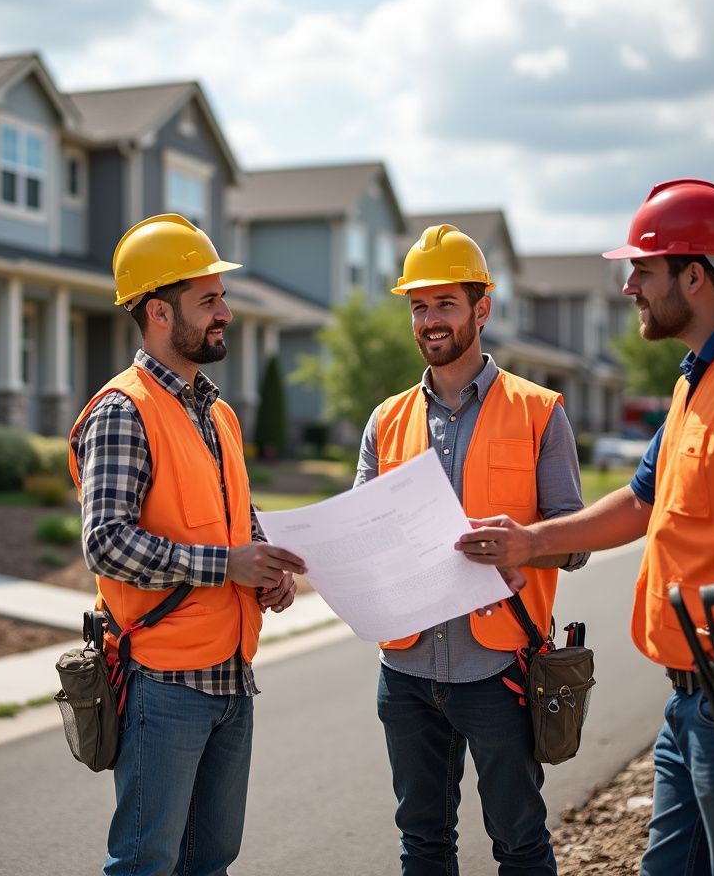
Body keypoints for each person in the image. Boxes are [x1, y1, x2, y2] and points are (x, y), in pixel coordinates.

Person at [456, 178, 714, 874]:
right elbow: (639, 500)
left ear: (694, 276)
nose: (629, 285)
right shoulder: (699, 377)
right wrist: (531, 541)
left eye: (643, 268)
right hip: (690, 700)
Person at [67, 213, 306, 876]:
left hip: (231, 676)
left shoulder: (218, 411)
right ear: (159, 313)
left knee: (210, 863)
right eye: (208, 300)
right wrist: (227, 564)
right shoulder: (123, 410)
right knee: (146, 863)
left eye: (220, 297)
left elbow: (234, 522)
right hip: (161, 682)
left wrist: (265, 572)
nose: (225, 311)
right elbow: (106, 543)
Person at [356, 223, 586, 876]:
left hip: (501, 671)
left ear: (481, 309)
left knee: (519, 843)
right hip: (405, 674)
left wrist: (525, 552)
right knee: (423, 844)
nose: (430, 320)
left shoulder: (540, 411)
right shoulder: (386, 420)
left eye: (445, 305)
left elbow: (574, 540)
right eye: (419, 306)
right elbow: (365, 531)